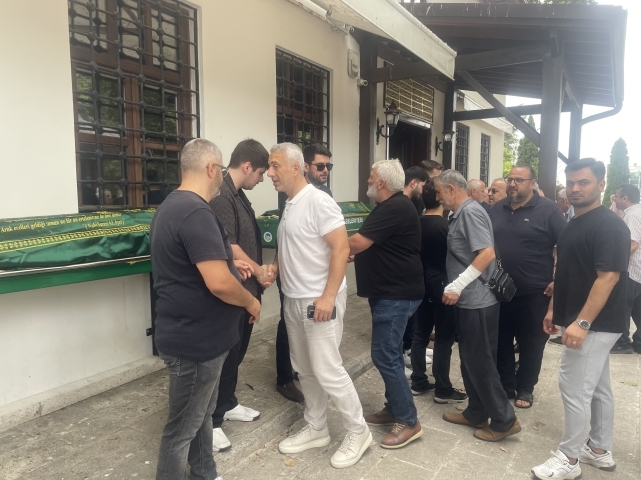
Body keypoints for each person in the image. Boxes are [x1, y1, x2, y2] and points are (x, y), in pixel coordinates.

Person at [150, 138, 261, 480]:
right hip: (195, 343)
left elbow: (193, 265)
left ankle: (204, 473)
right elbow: (218, 283)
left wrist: (229, 263)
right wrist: (250, 300)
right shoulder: (196, 211)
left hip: (198, 338)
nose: (222, 178)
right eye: (221, 170)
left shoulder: (173, 205)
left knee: (199, 416)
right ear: (211, 169)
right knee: (181, 429)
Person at [265, 143, 371, 469]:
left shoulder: (319, 201)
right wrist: (275, 267)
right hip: (294, 298)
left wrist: (327, 296)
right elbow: (291, 243)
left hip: (318, 300)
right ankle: (317, 426)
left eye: (275, 166)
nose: (269, 173)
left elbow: (341, 249)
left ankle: (359, 431)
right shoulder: (290, 203)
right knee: (305, 368)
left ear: (295, 168)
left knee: (327, 369)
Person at [532, 158, 629, 479]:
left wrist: (582, 323)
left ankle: (568, 458)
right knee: (597, 386)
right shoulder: (574, 221)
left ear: (601, 185)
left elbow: (608, 277)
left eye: (583, 182)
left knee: (573, 387)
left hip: (597, 323)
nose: (575, 188)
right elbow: (566, 271)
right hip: (581, 318)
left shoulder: (609, 225)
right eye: (571, 182)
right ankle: (598, 449)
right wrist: (553, 310)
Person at [435, 169, 521, 442]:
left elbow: (487, 254)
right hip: (470, 301)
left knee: (481, 362)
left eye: (439, 191)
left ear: (451, 188)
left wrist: (457, 285)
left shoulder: (470, 213)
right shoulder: (461, 213)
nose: (437, 197)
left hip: (478, 302)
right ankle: (476, 411)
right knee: (471, 360)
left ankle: (504, 420)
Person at [349, 159, 425, 449]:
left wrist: (332, 246)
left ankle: (409, 420)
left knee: (385, 355)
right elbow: (376, 243)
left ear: (381, 182)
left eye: (371, 176)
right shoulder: (391, 206)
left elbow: (358, 242)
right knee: (389, 353)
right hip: (390, 292)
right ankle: (394, 408)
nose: (368, 180)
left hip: (396, 295)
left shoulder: (395, 206)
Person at [209, 139, 277, 452]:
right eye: (261, 173)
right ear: (247, 166)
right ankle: (212, 422)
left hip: (247, 290)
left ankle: (228, 403)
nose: (262, 179)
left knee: (236, 354)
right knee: (224, 358)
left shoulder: (237, 194)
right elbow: (231, 245)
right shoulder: (222, 196)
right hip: (233, 293)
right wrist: (260, 271)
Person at [491, 164, 566, 409]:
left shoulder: (548, 210)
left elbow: (566, 247)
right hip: (500, 289)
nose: (513, 184)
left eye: (519, 180)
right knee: (501, 340)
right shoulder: (497, 208)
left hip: (536, 292)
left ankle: (525, 388)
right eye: (510, 179)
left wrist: (558, 278)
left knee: (531, 343)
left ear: (532, 183)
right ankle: (505, 384)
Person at [273, 144, 336, 403]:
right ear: (305, 167)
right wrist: (275, 267)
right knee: (288, 327)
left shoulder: (323, 195)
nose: (325, 171)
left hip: (314, 284)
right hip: (293, 278)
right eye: (320, 166)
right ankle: (285, 378)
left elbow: (334, 242)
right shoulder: (290, 195)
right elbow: (287, 237)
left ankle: (307, 372)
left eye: (328, 166)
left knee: (323, 360)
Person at [411, 178, 468, 403]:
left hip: (420, 285)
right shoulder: (445, 227)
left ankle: (418, 381)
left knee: (420, 334)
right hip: (444, 287)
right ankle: (443, 389)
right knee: (443, 340)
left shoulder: (416, 223)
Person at [610, 184, 641, 354]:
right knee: (638, 309)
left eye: (616, 196)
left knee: (622, 306)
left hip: (632, 270)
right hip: (638, 271)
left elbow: (632, 244)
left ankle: (622, 342)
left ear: (625, 198)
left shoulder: (632, 215)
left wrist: (614, 260)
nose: (614, 199)